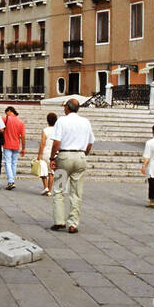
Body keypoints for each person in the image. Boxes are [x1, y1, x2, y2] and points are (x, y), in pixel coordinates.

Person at [48, 98, 94, 232]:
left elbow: (56, 142)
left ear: (68, 108)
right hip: (80, 156)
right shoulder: (85, 122)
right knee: (77, 192)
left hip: (65, 157)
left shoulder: (62, 121)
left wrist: (52, 157)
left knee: (59, 189)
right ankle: (73, 223)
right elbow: (90, 142)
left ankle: (59, 220)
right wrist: (85, 153)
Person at [1, 106, 27, 190]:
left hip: (7, 144)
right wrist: (23, 148)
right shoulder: (21, 122)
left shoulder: (5, 118)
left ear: (9, 111)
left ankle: (10, 181)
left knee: (8, 162)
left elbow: (0, 129)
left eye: (6, 112)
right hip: (16, 145)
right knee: (14, 163)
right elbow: (23, 136)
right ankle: (12, 180)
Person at [39, 112, 58, 196]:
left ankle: (45, 186)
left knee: (43, 170)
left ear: (47, 120)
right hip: (54, 153)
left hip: (46, 152)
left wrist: (39, 154)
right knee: (51, 172)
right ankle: (49, 190)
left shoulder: (45, 130)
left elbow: (42, 143)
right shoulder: (57, 130)